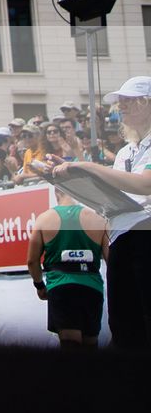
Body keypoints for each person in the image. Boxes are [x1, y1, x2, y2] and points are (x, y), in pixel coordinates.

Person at [52, 76, 151, 347]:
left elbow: (145, 184)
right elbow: (108, 198)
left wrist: (87, 167)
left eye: (128, 101)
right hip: (122, 236)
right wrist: (70, 176)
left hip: (145, 233)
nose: (121, 107)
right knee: (123, 322)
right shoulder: (125, 152)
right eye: (121, 102)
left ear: (146, 103)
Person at [27, 198, 108, 348]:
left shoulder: (44, 219)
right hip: (92, 288)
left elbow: (32, 261)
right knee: (91, 348)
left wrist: (39, 286)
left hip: (61, 286)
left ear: (57, 191)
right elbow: (111, 259)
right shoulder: (99, 220)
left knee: (71, 349)